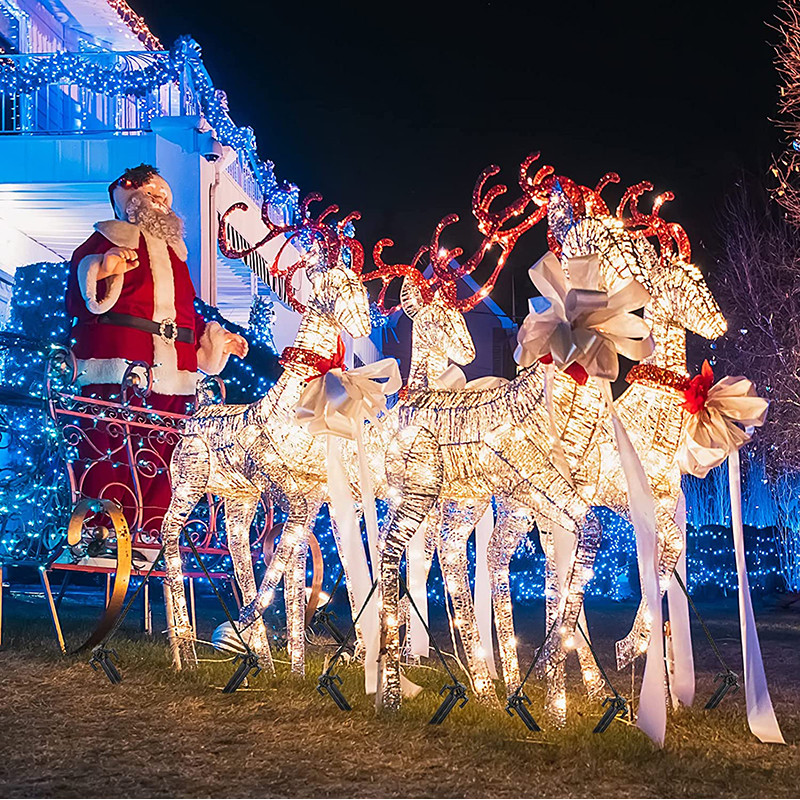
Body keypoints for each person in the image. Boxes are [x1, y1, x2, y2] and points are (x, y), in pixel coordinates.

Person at [65, 163, 248, 535]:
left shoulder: (176, 257)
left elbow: (188, 314)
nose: (160, 203)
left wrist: (214, 340)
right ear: (129, 200)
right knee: (113, 445)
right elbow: (82, 288)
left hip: (177, 370)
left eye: (164, 197)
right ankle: (102, 531)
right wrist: (104, 268)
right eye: (151, 196)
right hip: (120, 360)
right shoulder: (109, 239)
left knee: (168, 454)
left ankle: (150, 531)